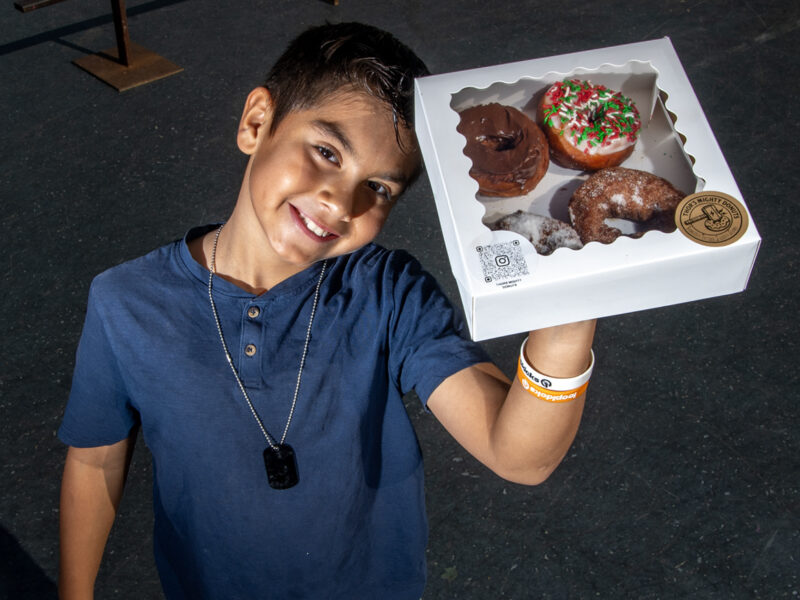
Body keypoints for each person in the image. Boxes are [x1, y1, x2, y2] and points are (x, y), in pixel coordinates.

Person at [57, 22, 596, 600]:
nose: (341, 201)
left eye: (380, 189)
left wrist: (570, 316)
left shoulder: (389, 293)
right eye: (325, 151)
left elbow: (519, 457)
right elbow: (94, 463)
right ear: (257, 123)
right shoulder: (125, 302)